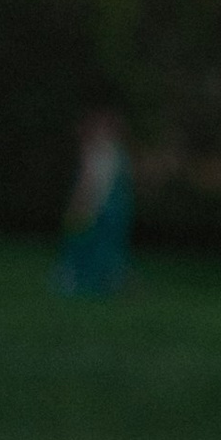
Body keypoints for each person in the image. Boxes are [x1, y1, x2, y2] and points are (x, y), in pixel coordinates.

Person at [55, 113, 133, 300]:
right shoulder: (108, 152)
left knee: (89, 244)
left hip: (100, 207)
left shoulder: (103, 153)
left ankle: (89, 280)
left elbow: (91, 182)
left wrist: (81, 203)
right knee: (90, 244)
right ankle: (100, 281)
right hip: (105, 207)